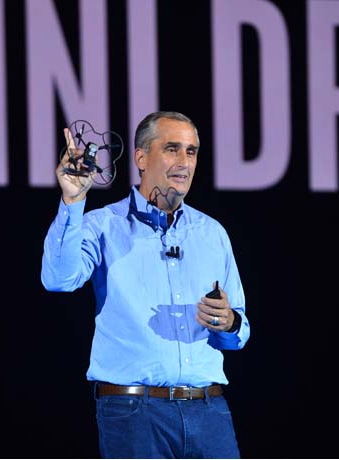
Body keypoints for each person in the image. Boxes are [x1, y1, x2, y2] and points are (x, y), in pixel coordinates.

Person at [41, 111, 250, 458]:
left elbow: (239, 331)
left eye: (192, 151)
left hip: (208, 411)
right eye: (172, 149)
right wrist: (73, 202)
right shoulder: (104, 225)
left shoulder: (212, 233)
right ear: (140, 157)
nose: (184, 161)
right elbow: (58, 280)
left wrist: (228, 321)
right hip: (134, 412)